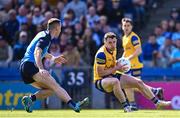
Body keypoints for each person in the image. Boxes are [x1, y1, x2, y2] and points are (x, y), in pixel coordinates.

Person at [20, 18, 88, 113]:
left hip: (24, 68)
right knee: (56, 86)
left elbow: (42, 51)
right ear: (56, 28)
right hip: (30, 65)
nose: (61, 30)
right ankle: (74, 105)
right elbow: (37, 52)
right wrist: (41, 68)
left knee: (51, 89)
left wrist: (53, 58)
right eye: (60, 28)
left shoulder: (42, 34)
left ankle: (30, 99)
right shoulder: (46, 38)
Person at [93, 32, 171, 112]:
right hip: (100, 81)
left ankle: (157, 102)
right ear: (104, 42)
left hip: (111, 75)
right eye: (110, 42)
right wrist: (116, 67)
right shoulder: (101, 54)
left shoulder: (114, 49)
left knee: (139, 82)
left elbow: (110, 64)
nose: (112, 44)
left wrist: (120, 67)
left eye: (114, 42)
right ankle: (126, 107)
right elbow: (101, 73)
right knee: (115, 81)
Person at [119, 18, 164, 110]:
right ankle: (135, 104)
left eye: (128, 26)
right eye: (124, 26)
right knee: (129, 85)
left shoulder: (134, 37)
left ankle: (153, 92)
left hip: (135, 65)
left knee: (136, 85)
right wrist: (122, 59)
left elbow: (139, 51)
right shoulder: (124, 37)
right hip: (127, 66)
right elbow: (126, 51)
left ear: (132, 27)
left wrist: (127, 59)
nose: (126, 27)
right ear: (122, 27)